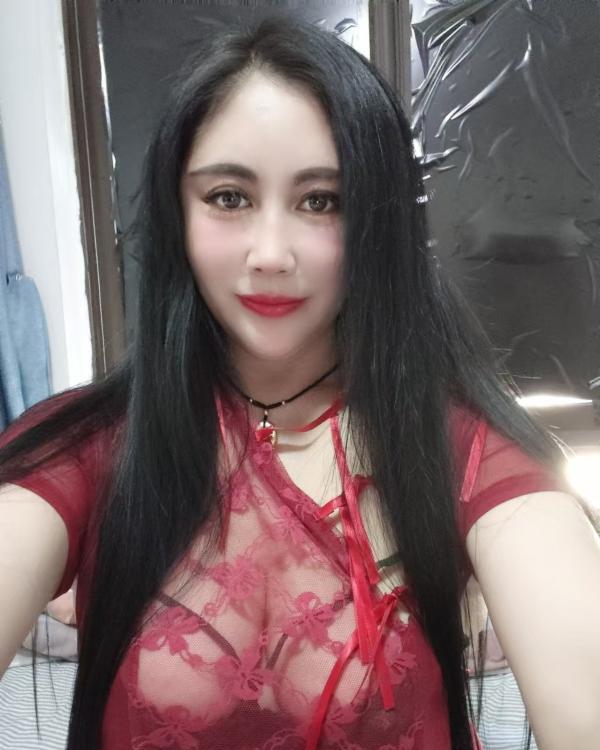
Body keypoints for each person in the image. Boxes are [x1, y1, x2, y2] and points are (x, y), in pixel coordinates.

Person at [0, 16, 599, 750]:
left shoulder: (465, 451)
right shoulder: (85, 446)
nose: (271, 254)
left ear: (376, 223)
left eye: (322, 201)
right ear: (177, 213)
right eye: (228, 197)